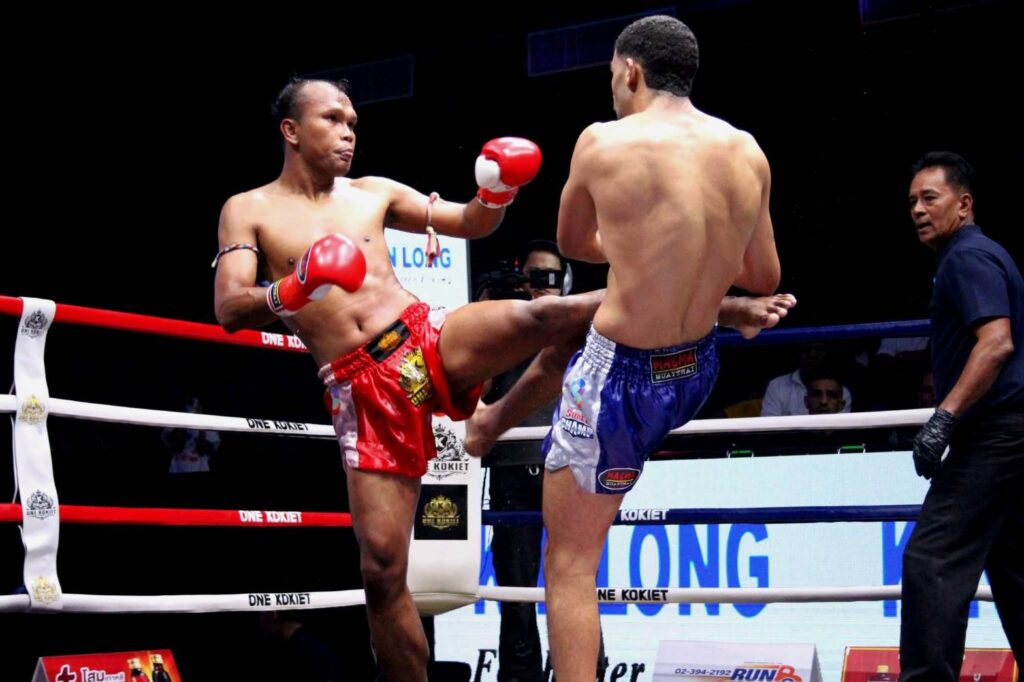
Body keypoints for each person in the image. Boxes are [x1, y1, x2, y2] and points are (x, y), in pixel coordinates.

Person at [215, 77, 792, 682]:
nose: (348, 133)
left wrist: (496, 191)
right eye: (332, 120)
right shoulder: (248, 210)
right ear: (290, 130)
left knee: (545, 316)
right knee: (383, 571)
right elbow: (230, 307)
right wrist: (297, 285)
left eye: (352, 122)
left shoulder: (372, 192)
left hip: (424, 337)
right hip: (360, 382)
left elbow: (470, 222)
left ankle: (716, 307)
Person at [466, 16, 785, 682]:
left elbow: (571, 244)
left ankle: (488, 422)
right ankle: (491, 423)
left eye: (613, 76)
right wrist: (685, 252)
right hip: (696, 369)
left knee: (570, 566)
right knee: (572, 337)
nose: (612, 89)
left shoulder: (603, 141)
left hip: (619, 386)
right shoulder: (747, 150)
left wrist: (642, 244)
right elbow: (763, 275)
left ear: (631, 71)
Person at [899, 151, 1022, 681]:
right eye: (912, 201)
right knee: (1014, 568)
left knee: (932, 560)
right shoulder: (977, 254)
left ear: (964, 204)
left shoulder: (967, 257)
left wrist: (943, 418)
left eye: (930, 198)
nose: (918, 210)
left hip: (994, 433)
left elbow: (996, 343)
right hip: (1009, 433)